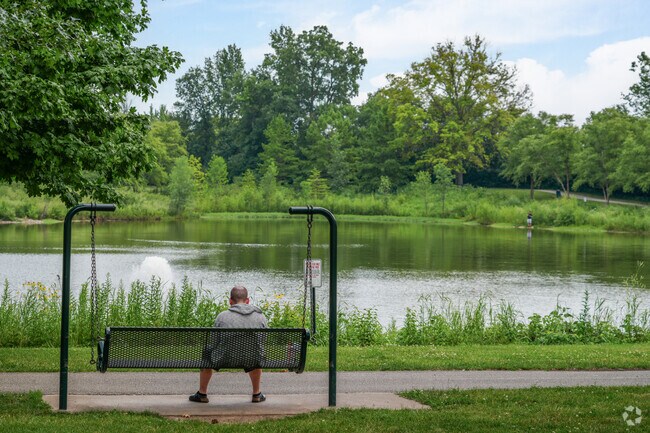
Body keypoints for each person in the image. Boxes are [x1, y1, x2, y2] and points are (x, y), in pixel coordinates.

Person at [189, 285, 268, 404]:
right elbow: (263, 340)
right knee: (256, 351)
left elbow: (214, 342)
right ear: (247, 301)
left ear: (230, 301)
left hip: (224, 358)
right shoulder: (260, 316)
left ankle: (202, 393)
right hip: (252, 358)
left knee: (206, 352)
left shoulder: (222, 317)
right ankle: (256, 393)